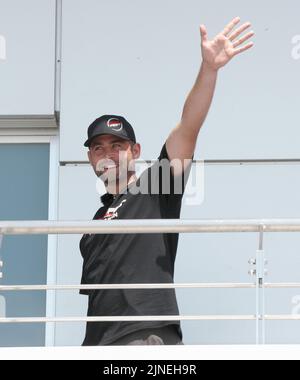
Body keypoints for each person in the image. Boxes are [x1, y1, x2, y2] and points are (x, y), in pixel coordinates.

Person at [79, 17, 255, 346]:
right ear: (90, 157)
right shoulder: (95, 222)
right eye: (98, 147)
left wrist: (209, 70)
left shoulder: (154, 187)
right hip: (98, 344)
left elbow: (188, 127)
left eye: (117, 146)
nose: (107, 153)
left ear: (136, 151)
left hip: (145, 338)